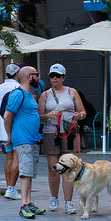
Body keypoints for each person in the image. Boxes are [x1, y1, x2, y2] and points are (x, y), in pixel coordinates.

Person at [41, 63, 87, 213]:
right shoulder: (45, 94)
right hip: (51, 132)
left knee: (68, 168)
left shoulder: (71, 92)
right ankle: (54, 198)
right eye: (52, 76)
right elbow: (39, 116)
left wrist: (78, 116)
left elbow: (82, 112)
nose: (54, 78)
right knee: (53, 168)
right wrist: (48, 115)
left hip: (69, 132)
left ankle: (69, 202)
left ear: (63, 77)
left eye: (58, 76)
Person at [1, 65, 44, 219]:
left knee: (29, 172)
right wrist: (9, 136)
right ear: (28, 77)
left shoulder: (29, 95)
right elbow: (7, 116)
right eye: (36, 75)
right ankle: (24, 205)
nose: (38, 78)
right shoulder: (18, 94)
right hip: (23, 139)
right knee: (25, 173)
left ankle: (29, 202)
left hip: (32, 139)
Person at [0, 63, 22, 199]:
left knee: (9, 157)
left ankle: (9, 187)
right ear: (17, 74)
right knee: (16, 157)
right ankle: (11, 188)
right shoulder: (17, 88)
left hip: (2, 130)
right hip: (13, 128)